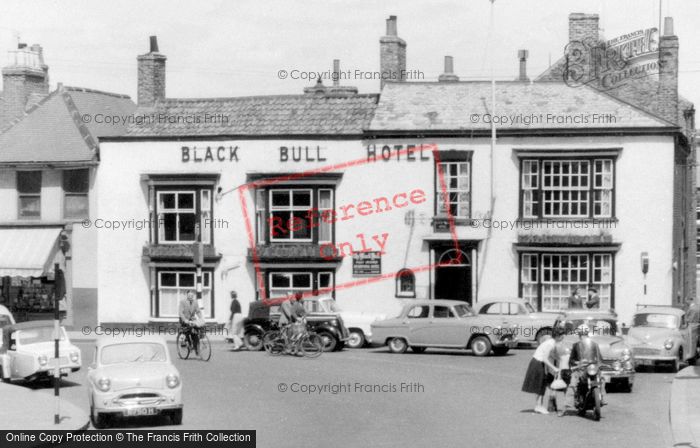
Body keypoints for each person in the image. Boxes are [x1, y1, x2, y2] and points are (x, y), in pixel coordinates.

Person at [522, 328, 564, 414]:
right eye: (562, 335)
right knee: (540, 385)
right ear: (558, 336)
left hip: (537, 362)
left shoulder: (552, 342)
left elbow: (551, 355)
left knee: (541, 384)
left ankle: (539, 405)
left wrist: (560, 359)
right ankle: (538, 406)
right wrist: (554, 368)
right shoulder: (551, 344)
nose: (563, 337)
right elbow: (545, 358)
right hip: (538, 363)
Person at [569, 324, 605, 406]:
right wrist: (578, 363)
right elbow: (571, 360)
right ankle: (574, 400)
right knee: (573, 383)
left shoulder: (594, 344)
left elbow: (599, 357)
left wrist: (600, 364)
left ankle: (601, 397)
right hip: (580, 368)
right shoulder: (576, 345)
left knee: (602, 379)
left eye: (584, 334)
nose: (583, 336)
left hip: (592, 368)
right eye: (582, 334)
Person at [552, 330, 573, 417]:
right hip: (564, 368)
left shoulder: (556, 345)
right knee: (564, 388)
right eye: (563, 335)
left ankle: (557, 408)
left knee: (558, 388)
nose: (564, 337)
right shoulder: (561, 345)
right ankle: (561, 409)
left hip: (561, 368)